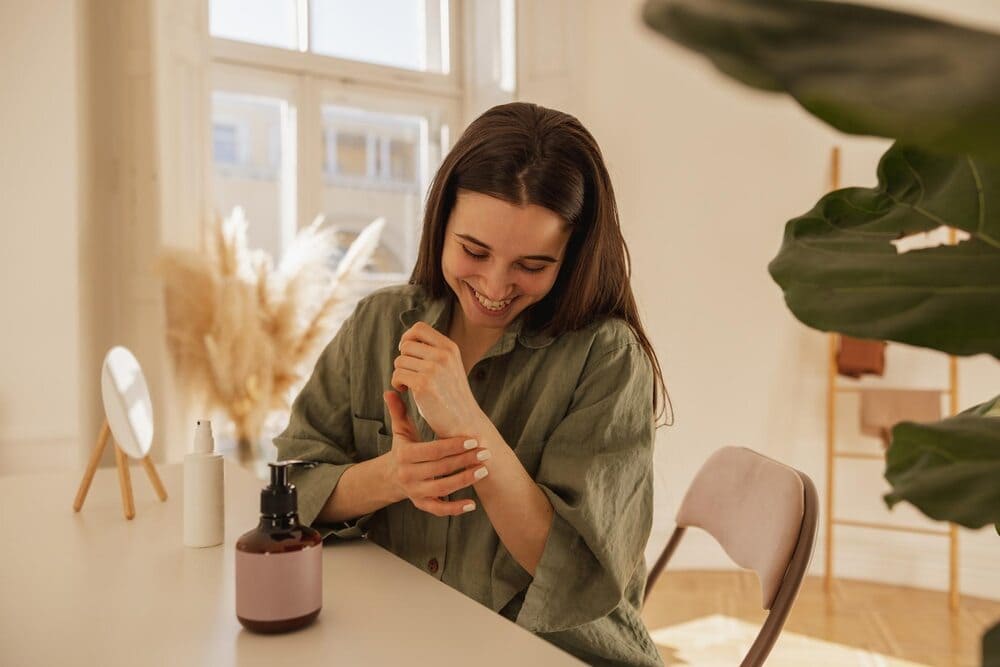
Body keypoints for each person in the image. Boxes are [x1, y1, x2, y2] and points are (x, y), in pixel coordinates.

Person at [275, 101, 669, 667]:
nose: (494, 284)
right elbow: (292, 486)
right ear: (442, 221)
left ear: (573, 255)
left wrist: (468, 421)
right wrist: (392, 476)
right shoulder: (378, 324)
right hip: (397, 638)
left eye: (532, 265)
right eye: (474, 251)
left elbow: (578, 573)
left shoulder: (605, 358)